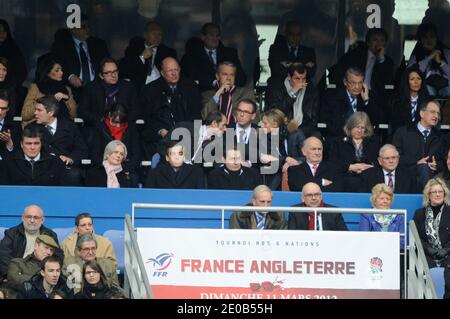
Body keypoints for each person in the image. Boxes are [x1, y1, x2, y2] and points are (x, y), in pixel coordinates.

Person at [140, 57, 202, 160]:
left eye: (176, 70)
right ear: (162, 73)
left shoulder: (191, 87)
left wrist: (186, 132)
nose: (174, 73)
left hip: (187, 135)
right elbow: (147, 116)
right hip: (161, 136)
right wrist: (161, 130)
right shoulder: (150, 90)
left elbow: (196, 114)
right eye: (170, 70)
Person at [26, 95, 88, 186]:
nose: (35, 113)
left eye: (39, 110)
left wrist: (70, 158)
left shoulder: (70, 127)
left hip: (65, 169)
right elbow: (25, 150)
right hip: (40, 168)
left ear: (51, 112)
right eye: (35, 109)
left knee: (74, 175)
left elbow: (81, 149)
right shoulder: (31, 128)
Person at [392, 100, 444, 190]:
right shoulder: (403, 132)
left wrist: (437, 165)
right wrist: (416, 162)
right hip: (405, 174)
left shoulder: (440, 137)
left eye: (438, 113)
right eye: (432, 112)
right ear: (422, 113)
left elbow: (444, 161)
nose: (436, 116)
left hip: (431, 176)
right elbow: (394, 156)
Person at [180, 22, 246, 92]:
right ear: (203, 37)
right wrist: (215, 83)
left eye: (217, 35)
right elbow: (189, 79)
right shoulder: (191, 57)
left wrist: (228, 85)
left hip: (229, 94)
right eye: (211, 35)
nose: (215, 38)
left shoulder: (230, 53)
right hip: (203, 96)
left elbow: (241, 78)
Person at [0, 205, 59, 281]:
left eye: (36, 217)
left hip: (42, 272)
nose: (32, 220)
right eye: (29, 217)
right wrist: (10, 275)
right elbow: (4, 256)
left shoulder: (50, 235)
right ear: (23, 218)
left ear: (42, 220)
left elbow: (58, 256)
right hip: (18, 271)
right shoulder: (12, 233)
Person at [413, 178, 450, 298]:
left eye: (440, 191)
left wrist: (446, 249)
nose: (438, 194)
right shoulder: (419, 214)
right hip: (427, 254)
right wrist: (428, 249)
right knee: (426, 274)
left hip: (448, 253)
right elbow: (416, 236)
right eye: (434, 192)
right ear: (428, 194)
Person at [320, 67, 380, 139]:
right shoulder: (332, 97)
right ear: (345, 82)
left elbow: (376, 121)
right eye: (353, 83)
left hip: (362, 139)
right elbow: (328, 123)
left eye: (360, 83)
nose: (357, 87)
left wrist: (366, 101)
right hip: (339, 138)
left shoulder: (367, 96)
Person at [79, 58, 140, 127]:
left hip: (123, 127)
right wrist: (103, 119)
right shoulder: (91, 88)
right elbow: (82, 112)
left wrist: (121, 119)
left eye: (115, 71)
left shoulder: (128, 87)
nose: (114, 75)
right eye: (108, 73)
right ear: (101, 76)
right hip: (99, 127)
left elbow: (136, 110)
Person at [329, 112, 380, 192]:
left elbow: (379, 160)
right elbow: (332, 163)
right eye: (357, 127)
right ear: (350, 126)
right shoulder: (338, 142)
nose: (359, 130)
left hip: (368, 178)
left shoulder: (374, 142)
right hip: (345, 179)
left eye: (362, 128)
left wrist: (367, 167)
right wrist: (350, 167)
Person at [121, 21, 177, 92]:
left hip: (160, 90)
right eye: (153, 33)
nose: (157, 37)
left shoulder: (168, 52)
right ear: (145, 35)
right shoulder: (134, 49)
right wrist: (142, 57)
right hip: (139, 89)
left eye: (159, 34)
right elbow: (127, 69)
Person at [265, 64, 319, 137]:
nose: (301, 82)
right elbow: (276, 113)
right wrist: (292, 93)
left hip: (304, 129)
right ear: (289, 77)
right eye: (297, 78)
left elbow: (313, 117)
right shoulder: (277, 89)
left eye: (304, 78)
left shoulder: (310, 91)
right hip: (283, 128)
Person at [21, 58, 77, 127]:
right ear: (48, 73)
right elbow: (25, 115)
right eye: (57, 70)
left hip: (62, 129)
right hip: (39, 128)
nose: (61, 72)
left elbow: (73, 115)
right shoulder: (35, 88)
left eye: (61, 70)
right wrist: (45, 101)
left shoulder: (66, 89)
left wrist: (67, 98)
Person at [88, 103, 141, 174]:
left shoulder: (131, 129)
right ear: (109, 115)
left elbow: (136, 155)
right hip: (103, 169)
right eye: (115, 122)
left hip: (126, 169)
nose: (118, 126)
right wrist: (108, 166)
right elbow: (95, 154)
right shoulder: (100, 128)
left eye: (121, 123)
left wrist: (123, 168)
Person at [201, 61, 254, 126]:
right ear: (217, 76)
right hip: (216, 132)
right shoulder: (207, 95)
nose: (229, 78)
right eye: (225, 74)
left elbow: (255, 117)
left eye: (232, 75)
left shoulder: (246, 93)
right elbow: (205, 116)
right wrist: (218, 94)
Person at [407, 23, 450, 98]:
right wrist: (428, 59)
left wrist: (441, 63)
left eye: (432, 36)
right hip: (427, 88)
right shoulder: (416, 56)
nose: (429, 40)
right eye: (425, 37)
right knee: (426, 90)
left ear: (437, 38)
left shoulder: (447, 53)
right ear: (420, 40)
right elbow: (411, 75)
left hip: (446, 88)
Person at [359, 183, 405, 249]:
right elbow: (363, 240)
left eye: (388, 199)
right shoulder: (366, 215)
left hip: (393, 253)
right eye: (381, 198)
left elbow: (402, 243)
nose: (385, 201)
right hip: (371, 253)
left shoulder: (399, 217)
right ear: (374, 200)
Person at [390, 67, 430, 134]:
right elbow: (396, 125)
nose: (416, 82)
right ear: (406, 81)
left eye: (419, 79)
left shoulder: (428, 101)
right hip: (403, 137)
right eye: (412, 79)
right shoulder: (398, 101)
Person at [0, 19, 27, 89]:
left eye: (4, 31)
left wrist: (11, 85)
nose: (2, 34)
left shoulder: (14, 49)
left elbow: (22, 72)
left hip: (11, 89)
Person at [0, 89, 21, 160]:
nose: (0, 112)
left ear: (8, 109)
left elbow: (18, 155)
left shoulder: (15, 127)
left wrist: (9, 143)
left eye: (3, 108)